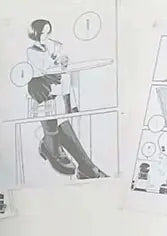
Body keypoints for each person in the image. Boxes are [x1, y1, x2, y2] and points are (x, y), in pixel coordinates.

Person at [26, 18, 107, 180]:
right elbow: (46, 68)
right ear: (35, 33)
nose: (46, 36)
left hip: (51, 85)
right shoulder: (32, 51)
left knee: (66, 85)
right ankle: (55, 147)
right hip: (41, 88)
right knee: (59, 115)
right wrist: (57, 61)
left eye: (48, 33)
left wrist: (59, 60)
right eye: (43, 33)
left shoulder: (46, 48)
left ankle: (85, 165)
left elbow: (53, 66)